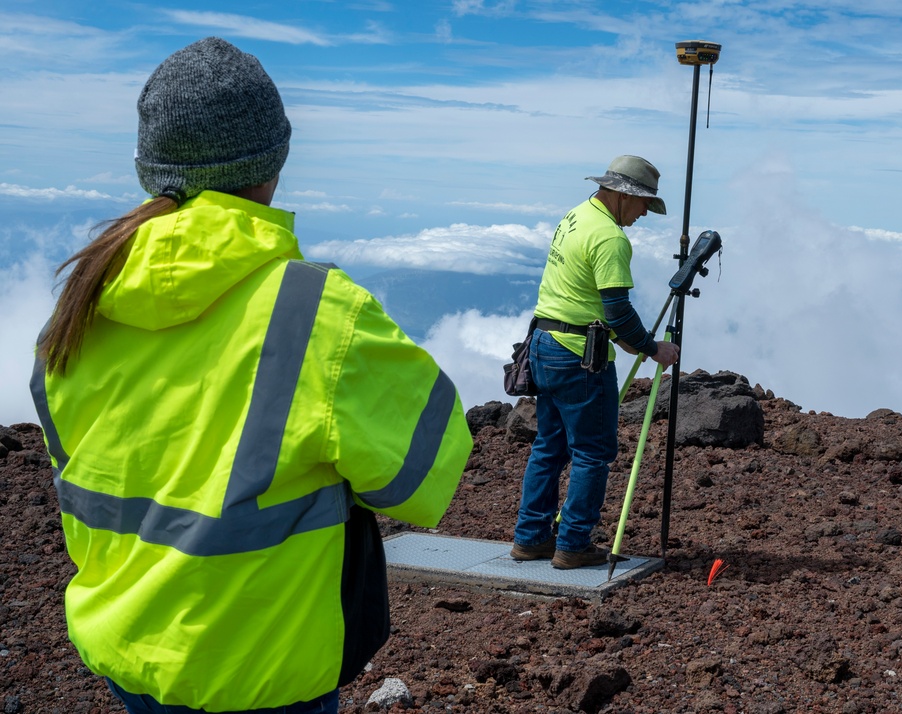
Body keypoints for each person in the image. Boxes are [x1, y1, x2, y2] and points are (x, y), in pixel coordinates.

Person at [30, 37, 473, 714]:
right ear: (273, 161)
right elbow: (424, 471)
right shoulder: (318, 313)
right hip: (262, 673)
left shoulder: (80, 309)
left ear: (153, 168)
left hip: (131, 658)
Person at [511, 155, 680, 570]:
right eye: (643, 204)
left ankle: (531, 538)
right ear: (624, 195)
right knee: (592, 451)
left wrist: (625, 340)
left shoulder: (576, 215)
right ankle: (573, 544)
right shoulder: (610, 238)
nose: (643, 214)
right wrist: (650, 347)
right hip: (580, 359)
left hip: (545, 344)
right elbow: (618, 309)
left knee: (549, 446)